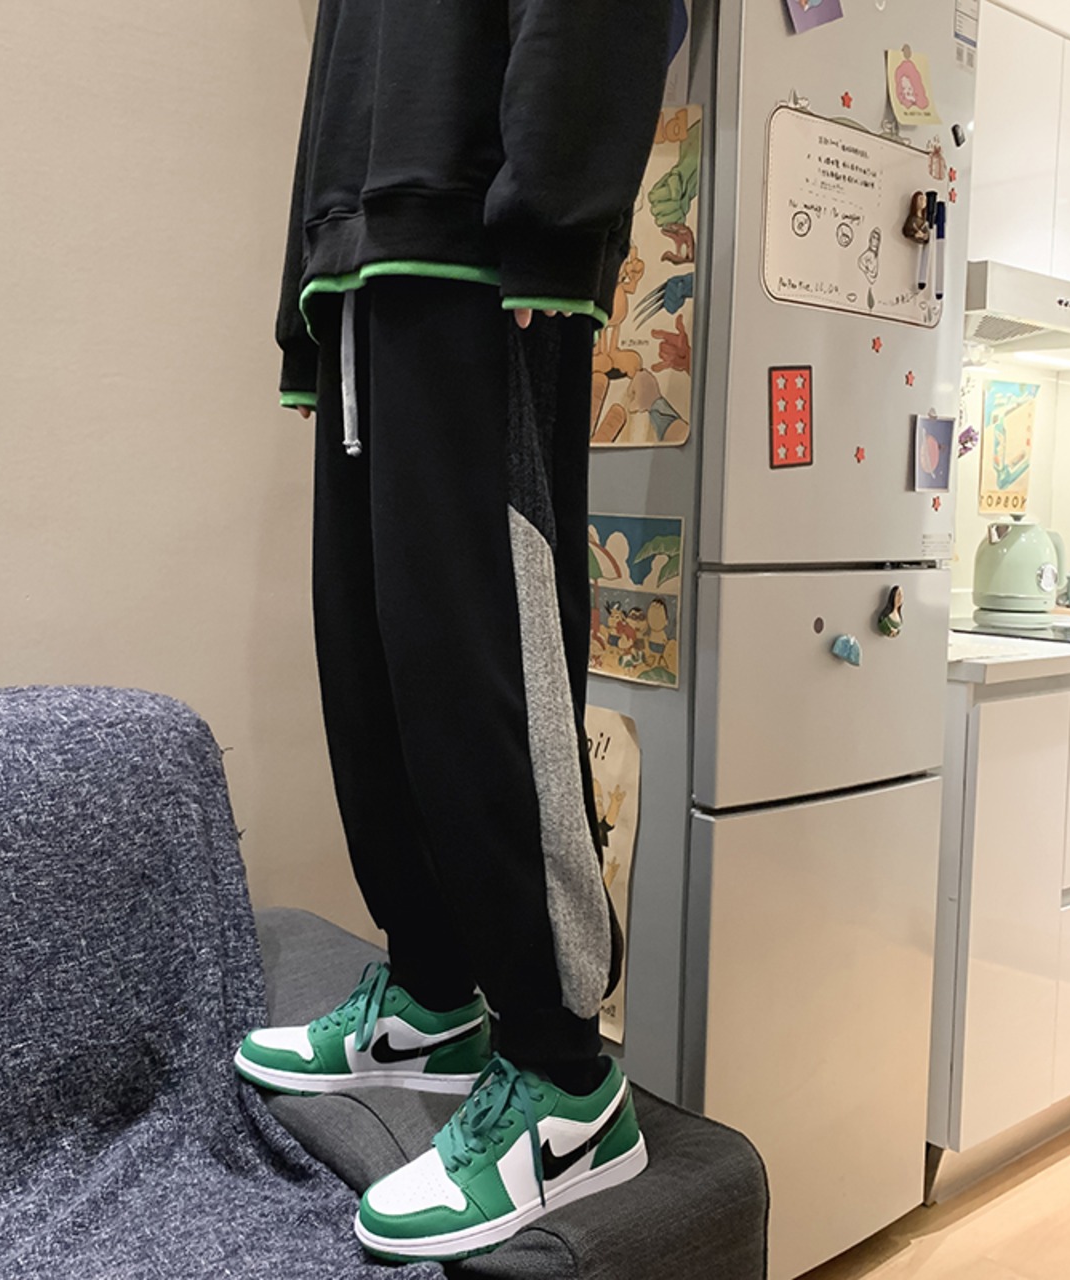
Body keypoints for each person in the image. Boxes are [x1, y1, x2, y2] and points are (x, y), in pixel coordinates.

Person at [234, 0, 675, 1262]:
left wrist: (552, 214)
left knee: (487, 665)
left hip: (481, 248)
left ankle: (563, 1075)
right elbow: (348, 62)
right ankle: (430, 993)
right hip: (363, 262)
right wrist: (308, 296)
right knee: (377, 666)